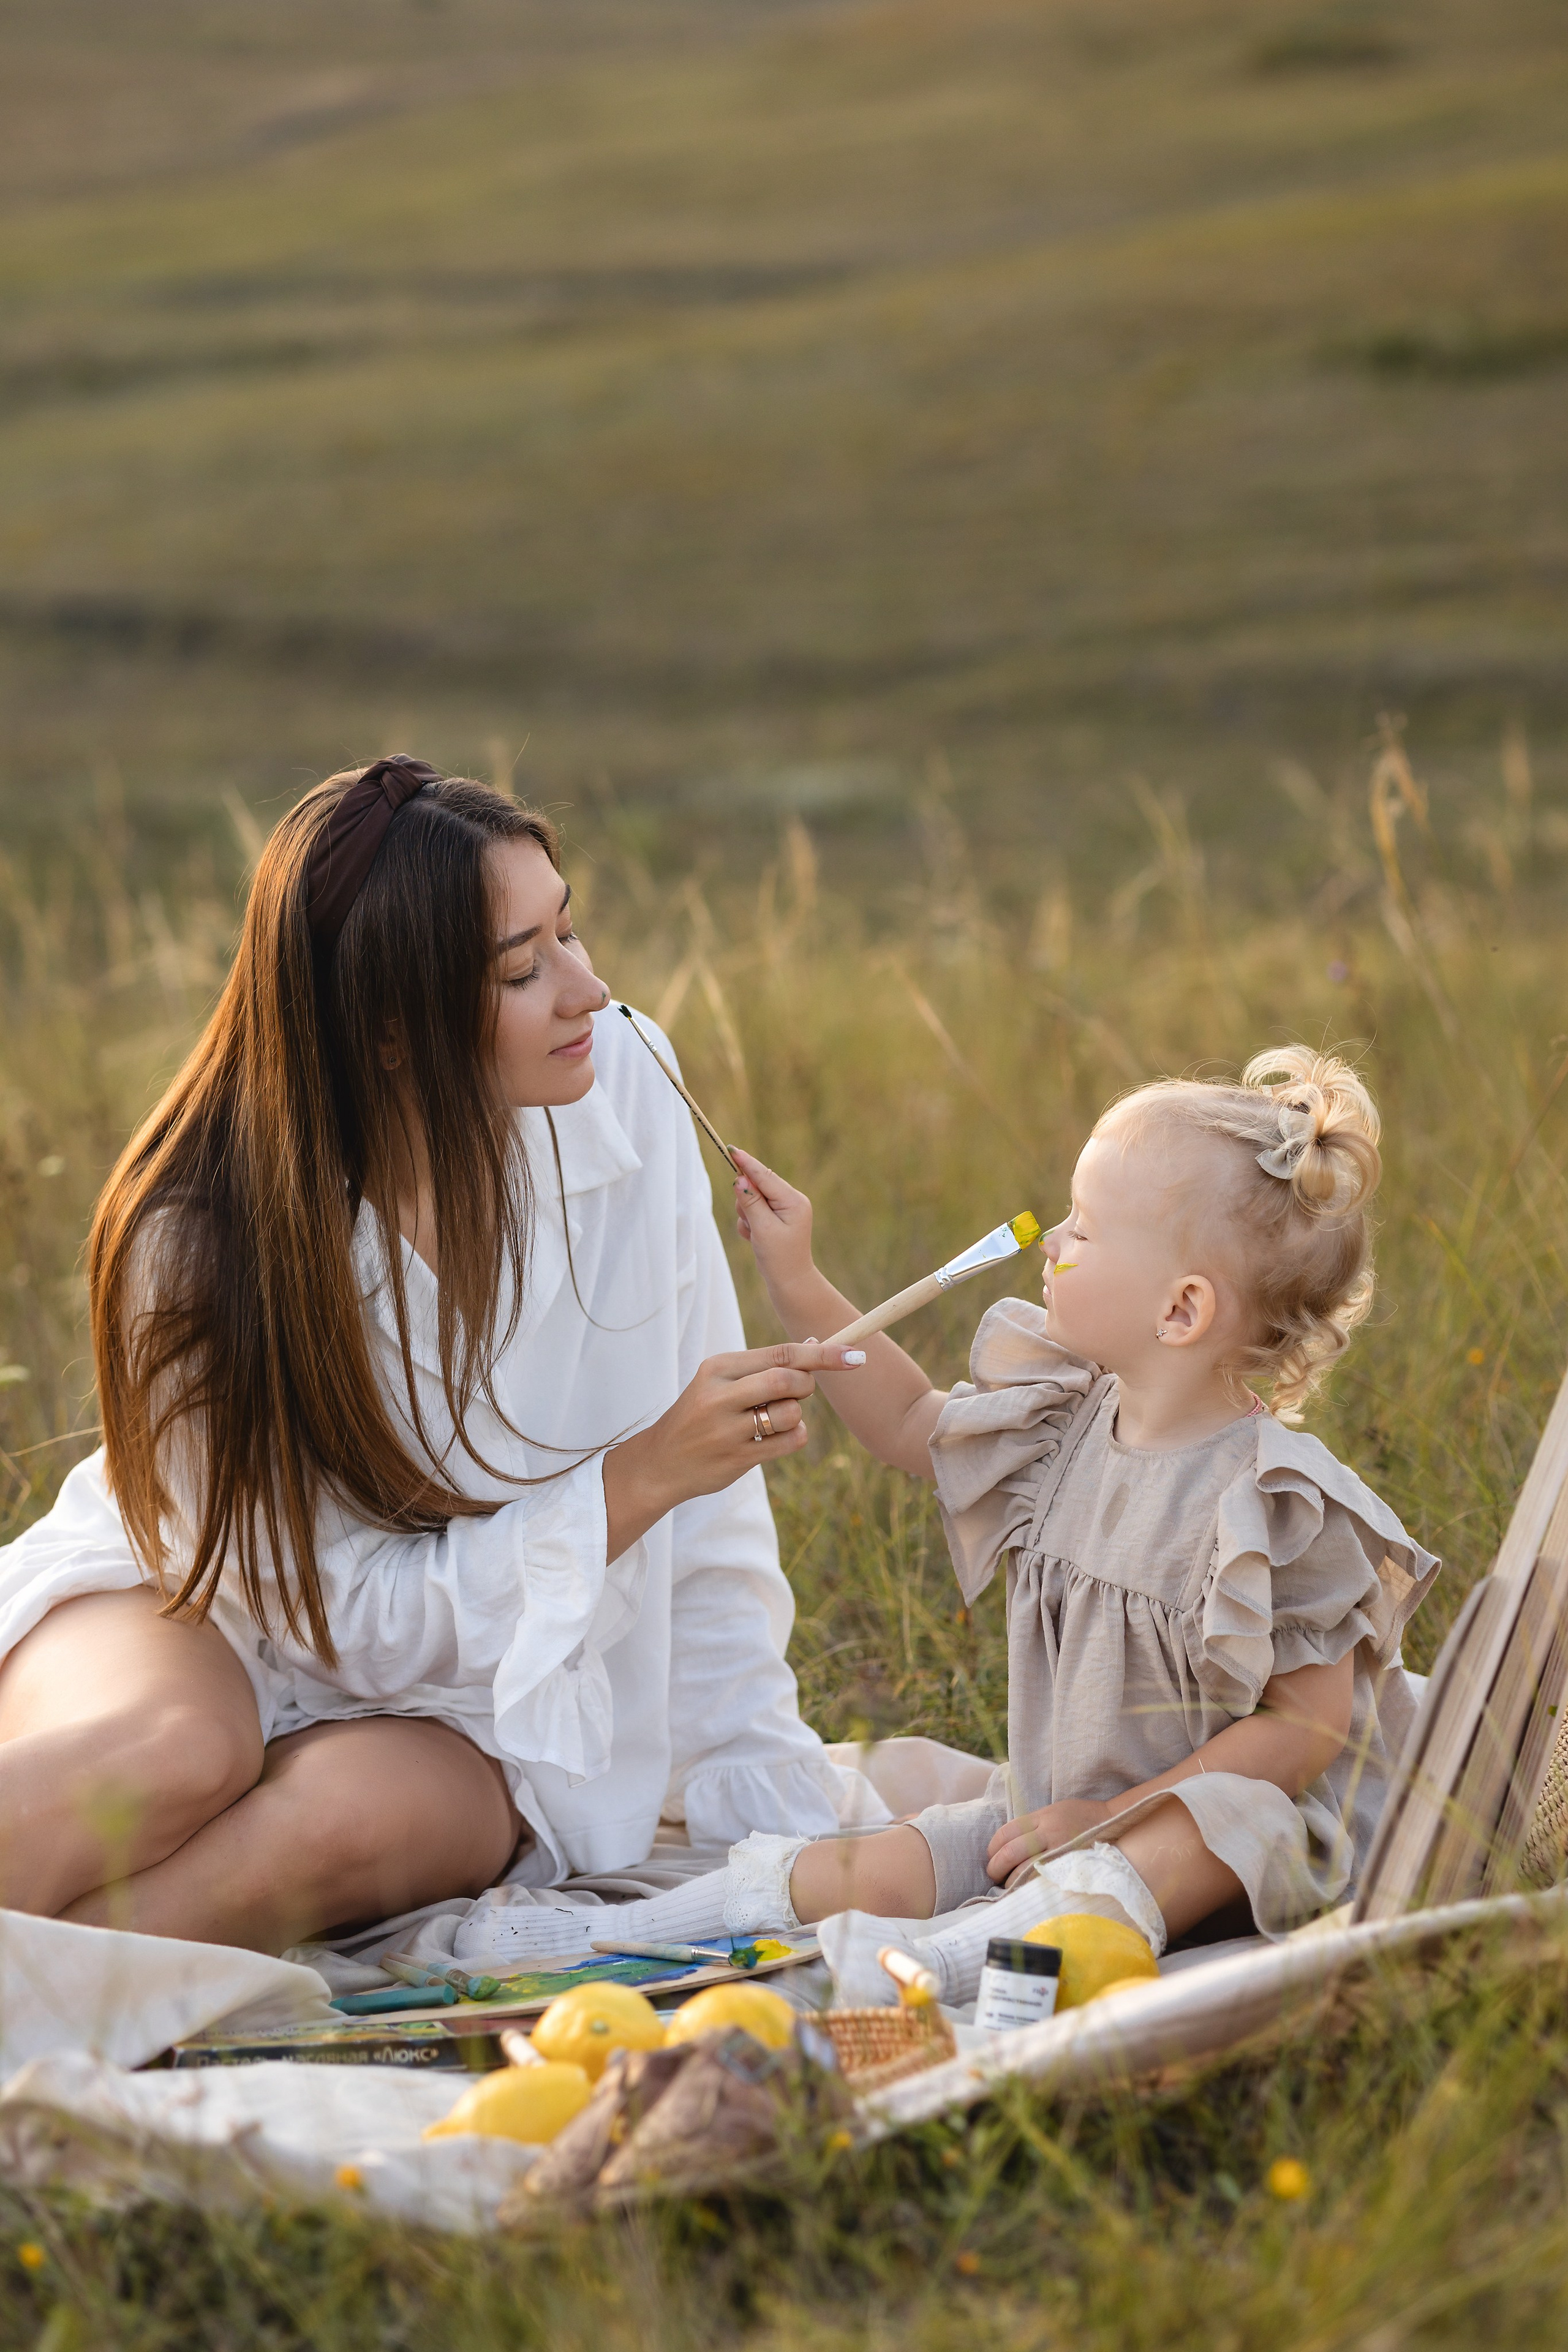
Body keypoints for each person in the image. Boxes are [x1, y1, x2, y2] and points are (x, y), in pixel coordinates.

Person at [0, 759, 869, 1952]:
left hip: (471, 1704)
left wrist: (775, 1814)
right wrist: (627, 1487)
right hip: (198, 1602)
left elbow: (707, 1546)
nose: (589, 990)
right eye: (523, 969)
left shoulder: (625, 1084)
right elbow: (336, 1616)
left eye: (569, 932)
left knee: (351, 1828)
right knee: (174, 1754)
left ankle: (50, 1993)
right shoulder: (198, 1241)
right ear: (390, 1028)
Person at [462, 1050, 1438, 2004]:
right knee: (898, 1857)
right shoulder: (1069, 1422)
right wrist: (798, 1276)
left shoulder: (1276, 1504)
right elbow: (911, 1423)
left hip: (1228, 1842)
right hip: (1059, 1815)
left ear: (1181, 1310)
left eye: (1086, 1231)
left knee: (1202, 1831)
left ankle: (940, 1975)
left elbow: (1304, 1735)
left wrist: (1113, 1815)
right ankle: (605, 1935)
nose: (1053, 1240)